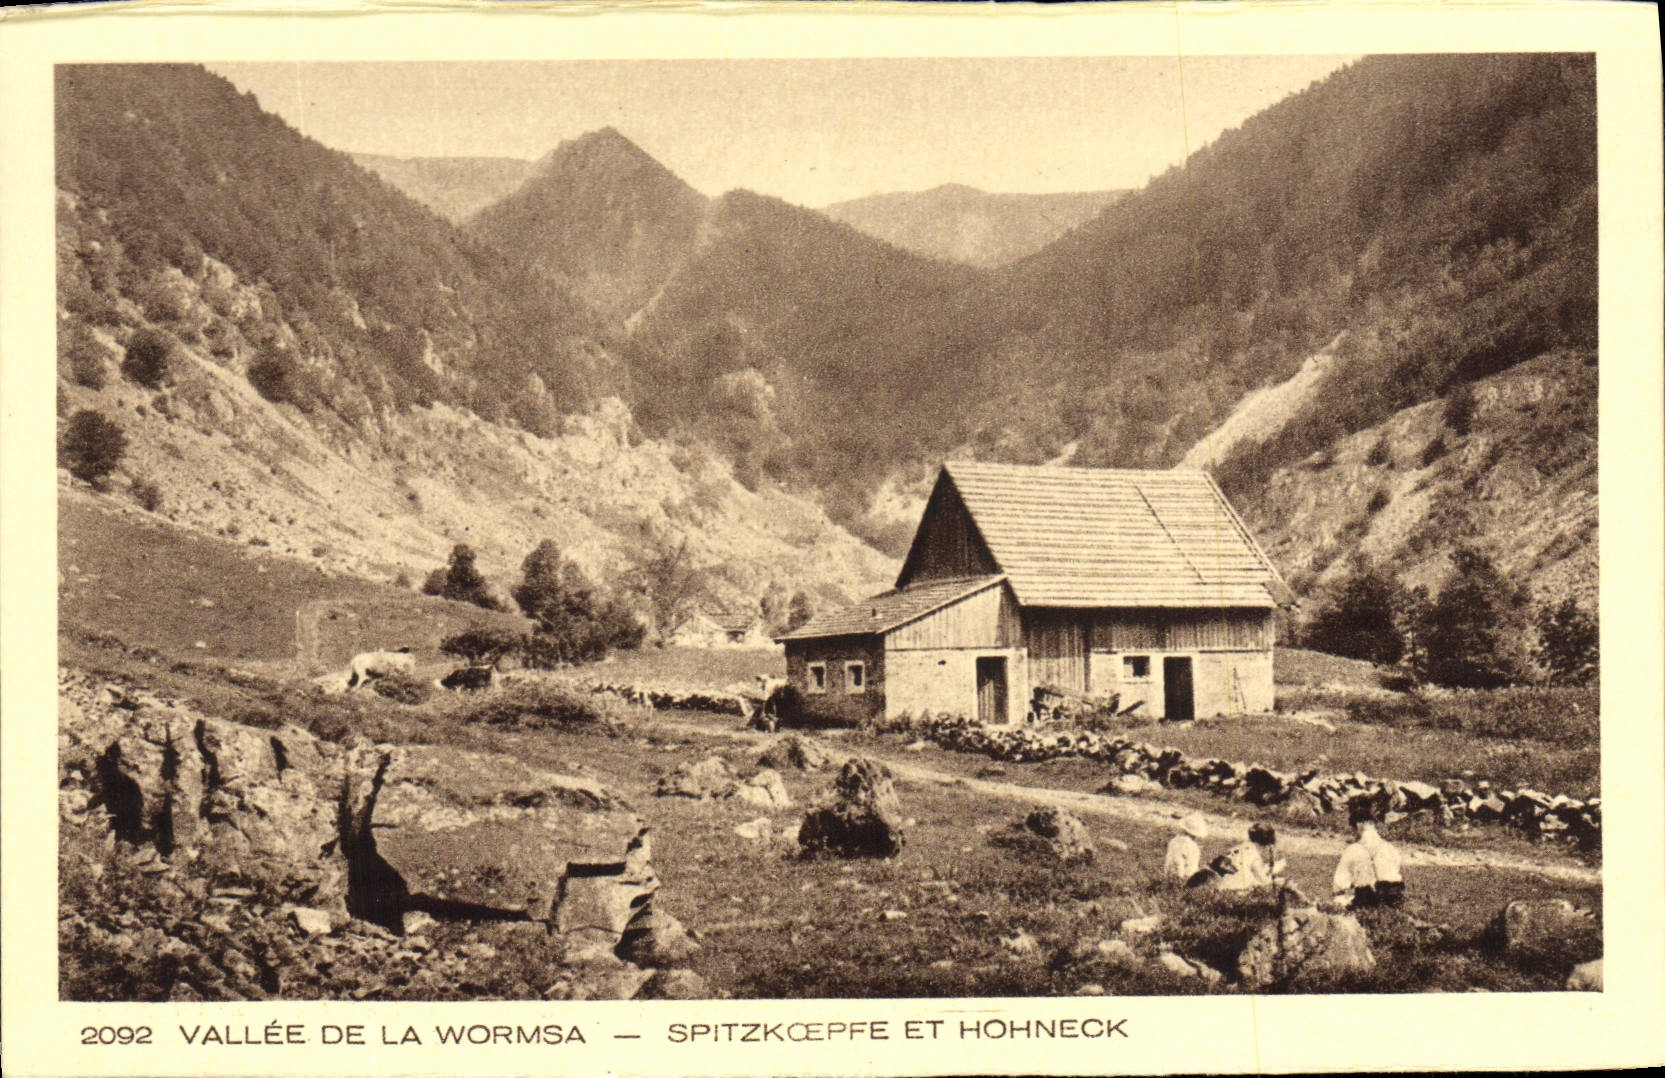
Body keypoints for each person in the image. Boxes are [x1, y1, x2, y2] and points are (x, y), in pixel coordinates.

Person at [1332, 799, 1404, 908]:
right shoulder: (1391, 848)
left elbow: (1340, 885)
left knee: (1339, 899)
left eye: (1352, 830)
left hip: (1368, 899)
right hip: (1394, 899)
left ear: (1357, 826)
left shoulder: (1352, 850)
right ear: (1373, 825)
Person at [1213, 822, 1284, 892]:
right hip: (1236, 890)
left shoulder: (1237, 848)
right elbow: (1265, 882)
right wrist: (1274, 876)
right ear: (1267, 844)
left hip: (1220, 886)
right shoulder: (1255, 856)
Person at [1164, 813, 1208, 881]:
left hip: (1169, 875)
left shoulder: (1174, 841)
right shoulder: (1193, 846)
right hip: (1185, 878)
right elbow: (1191, 868)